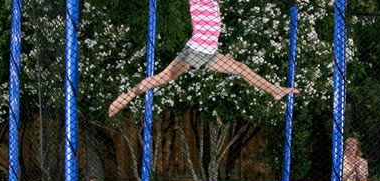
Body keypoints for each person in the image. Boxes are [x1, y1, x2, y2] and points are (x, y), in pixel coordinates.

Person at [107, 0, 300, 117]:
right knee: (162, 78)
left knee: (241, 68)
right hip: (196, 50)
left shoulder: (215, 4)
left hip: (209, 53)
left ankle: (275, 90)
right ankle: (127, 96)